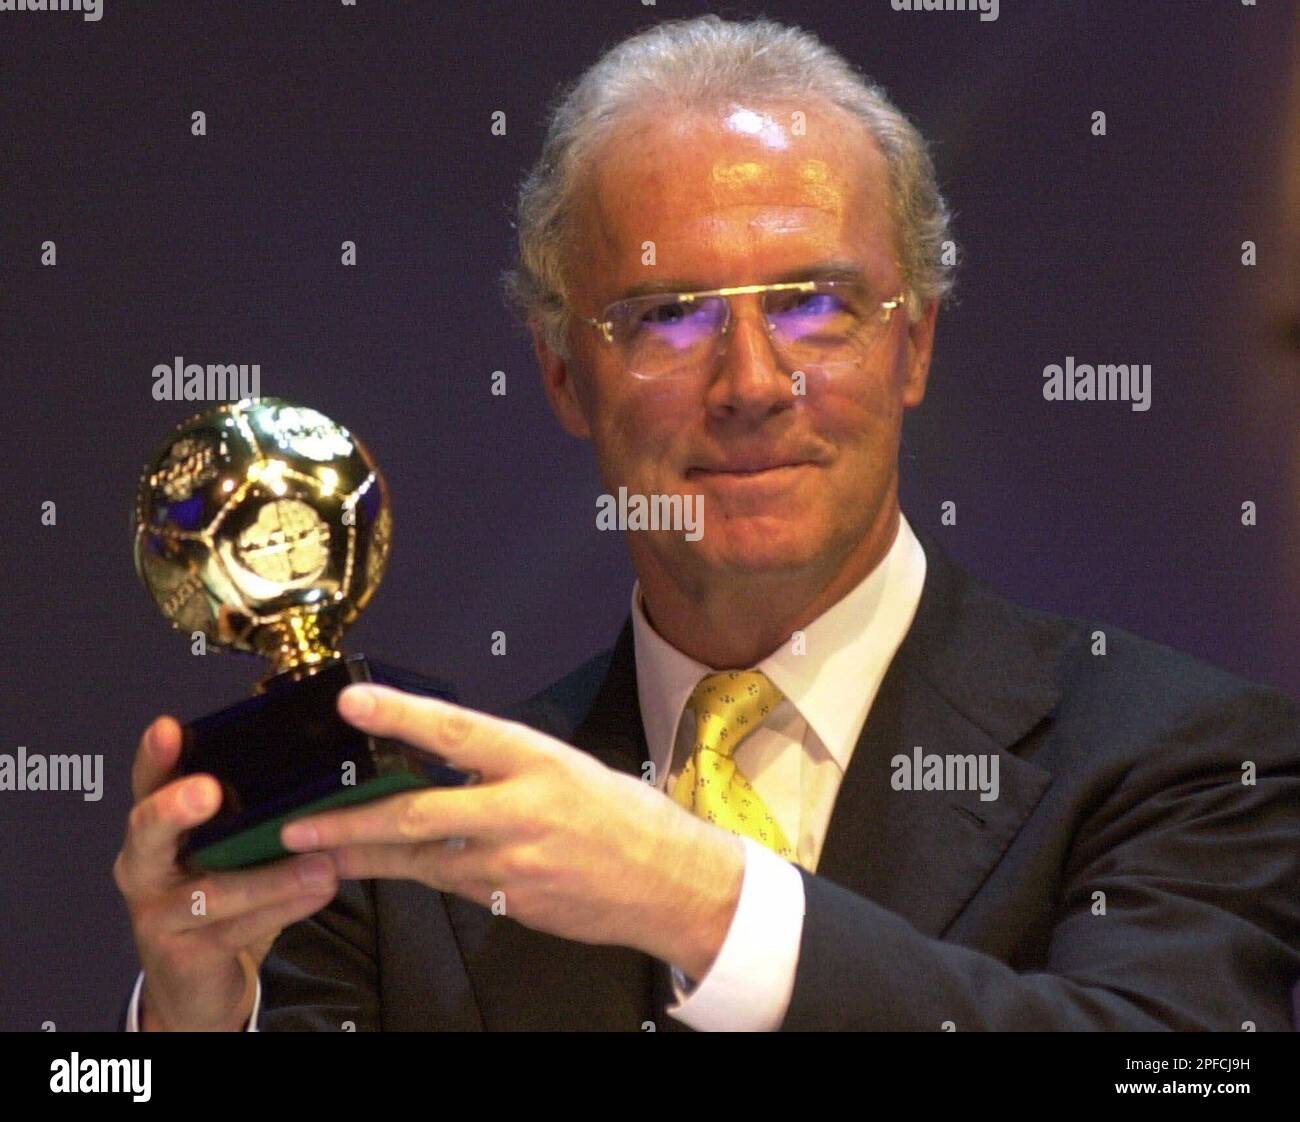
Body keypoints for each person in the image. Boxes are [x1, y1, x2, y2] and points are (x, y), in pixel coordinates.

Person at [115, 14, 1300, 1031]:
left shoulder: (1183, 757)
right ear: (563, 372)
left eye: (814, 304)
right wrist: (189, 1017)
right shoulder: (407, 836)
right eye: (667, 315)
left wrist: (700, 899)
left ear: (914, 342)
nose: (748, 382)